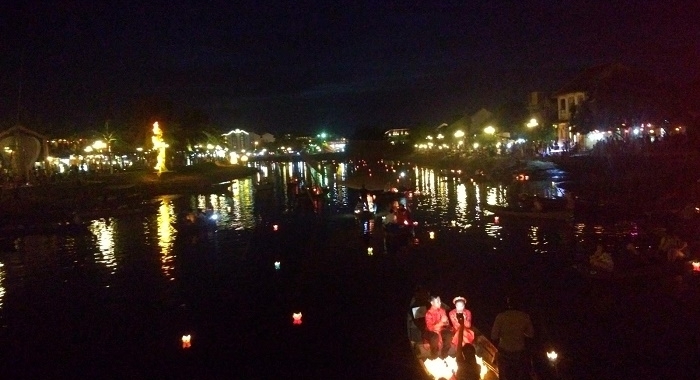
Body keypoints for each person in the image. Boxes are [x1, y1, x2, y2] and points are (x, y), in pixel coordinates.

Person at [491, 296, 534, 380]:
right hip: (519, 353)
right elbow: (531, 334)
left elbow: (494, 336)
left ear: (508, 304)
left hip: (504, 353)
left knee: (504, 376)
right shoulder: (524, 316)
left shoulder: (500, 317)